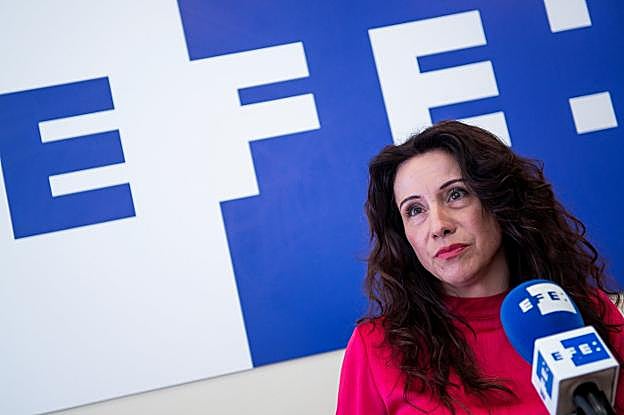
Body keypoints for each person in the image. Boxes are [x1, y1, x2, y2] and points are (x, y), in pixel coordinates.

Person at [335, 121, 624, 414]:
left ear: (499, 200)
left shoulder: (584, 311)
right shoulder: (376, 347)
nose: (438, 226)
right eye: (415, 210)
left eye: (456, 194)